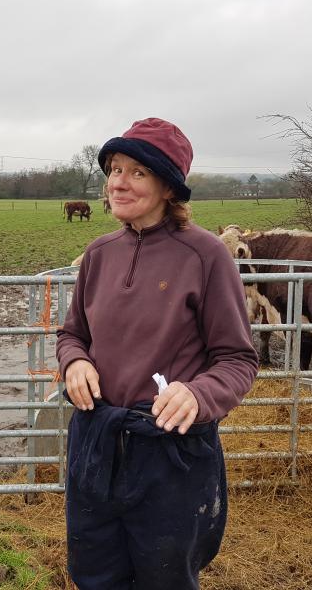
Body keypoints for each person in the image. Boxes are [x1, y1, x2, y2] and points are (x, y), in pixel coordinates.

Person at [56, 118, 258, 589]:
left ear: (169, 186)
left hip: (169, 451)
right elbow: (72, 334)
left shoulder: (206, 256)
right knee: (95, 574)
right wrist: (75, 361)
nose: (118, 183)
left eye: (137, 172)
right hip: (97, 441)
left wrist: (199, 394)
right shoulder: (99, 253)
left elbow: (238, 359)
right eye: (114, 169)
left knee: (165, 577)